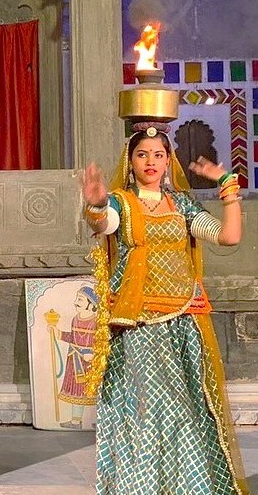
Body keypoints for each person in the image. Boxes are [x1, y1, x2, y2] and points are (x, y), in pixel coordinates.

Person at [81, 125, 247, 495]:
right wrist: (95, 205)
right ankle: (140, 486)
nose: (151, 161)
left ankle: (188, 486)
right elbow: (104, 224)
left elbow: (228, 236)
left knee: (185, 411)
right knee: (145, 409)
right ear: (131, 161)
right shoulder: (122, 203)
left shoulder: (181, 205)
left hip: (183, 321)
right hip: (138, 323)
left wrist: (227, 185)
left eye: (158, 155)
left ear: (168, 161)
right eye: (142, 154)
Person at [46, 285, 98, 429]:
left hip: (90, 362)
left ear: (91, 303)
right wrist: (57, 332)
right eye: (77, 299)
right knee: (77, 392)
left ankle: (99, 420)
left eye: (80, 299)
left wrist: (93, 353)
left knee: (93, 391)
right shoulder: (75, 319)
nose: (76, 302)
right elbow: (73, 338)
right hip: (74, 360)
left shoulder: (96, 321)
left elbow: (101, 340)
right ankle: (76, 422)